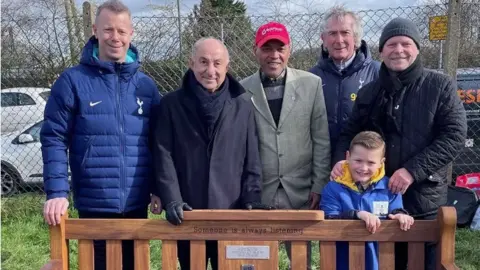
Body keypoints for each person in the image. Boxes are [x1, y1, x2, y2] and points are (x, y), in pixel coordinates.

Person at [331, 17, 467, 269]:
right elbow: (348, 134)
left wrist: (412, 171)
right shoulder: (370, 92)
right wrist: (341, 158)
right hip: (378, 199)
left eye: (406, 43)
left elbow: (454, 136)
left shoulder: (440, 86)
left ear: (416, 48)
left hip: (423, 199)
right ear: (381, 51)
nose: (399, 50)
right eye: (391, 44)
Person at [40, 1, 162, 270]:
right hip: (94, 203)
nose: (115, 38)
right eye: (108, 30)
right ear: (95, 30)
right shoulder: (72, 81)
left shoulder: (146, 86)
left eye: (121, 31)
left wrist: (157, 187)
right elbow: (54, 137)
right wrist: (57, 191)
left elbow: (157, 142)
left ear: (132, 33)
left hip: (136, 202)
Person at [152, 37, 273, 270]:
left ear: (227, 66)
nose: (210, 70)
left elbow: (251, 159)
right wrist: (172, 198)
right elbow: (163, 154)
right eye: (203, 62)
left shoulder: (243, 104)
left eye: (217, 63)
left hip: (230, 212)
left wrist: (251, 199)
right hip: (187, 213)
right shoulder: (170, 104)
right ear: (191, 63)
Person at [240, 22, 331, 270]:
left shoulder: (311, 84)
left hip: (301, 191)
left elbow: (321, 139)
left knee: (301, 262)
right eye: (266, 48)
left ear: (289, 50)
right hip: (260, 191)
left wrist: (319, 184)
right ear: (255, 51)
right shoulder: (241, 89)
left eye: (279, 48)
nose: (274, 55)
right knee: (255, 261)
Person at [321, 131, 414, 270]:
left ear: (381, 163)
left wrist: (401, 215)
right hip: (342, 263)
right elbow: (329, 217)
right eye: (358, 161)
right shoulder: (333, 188)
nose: (363, 168)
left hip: (378, 262)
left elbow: (396, 210)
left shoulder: (389, 188)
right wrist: (358, 214)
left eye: (371, 162)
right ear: (347, 156)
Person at [309, 6, 380, 161]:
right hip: (323, 164)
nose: (339, 40)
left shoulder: (378, 73)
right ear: (324, 39)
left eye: (345, 32)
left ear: (356, 38)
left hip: (365, 166)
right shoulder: (311, 77)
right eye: (332, 33)